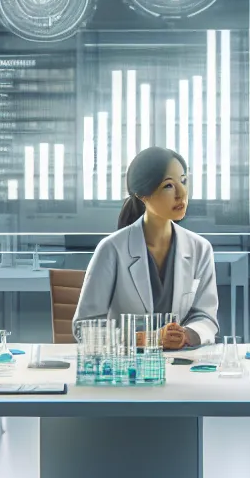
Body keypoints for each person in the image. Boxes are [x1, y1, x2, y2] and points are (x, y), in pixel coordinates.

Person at [75, 146, 219, 348]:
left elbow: (206, 317)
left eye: (184, 181)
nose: (181, 193)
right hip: (127, 368)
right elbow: (85, 328)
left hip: (182, 363)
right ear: (143, 195)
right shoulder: (112, 249)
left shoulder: (200, 249)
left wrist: (186, 334)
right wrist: (147, 339)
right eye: (168, 186)